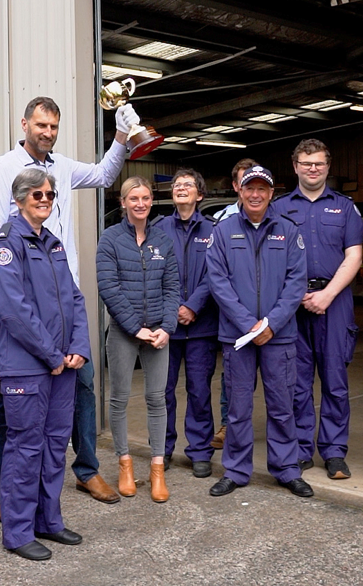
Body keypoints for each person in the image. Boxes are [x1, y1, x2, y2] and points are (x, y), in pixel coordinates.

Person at [0, 96, 136, 515]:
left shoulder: (62, 167)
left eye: (54, 126)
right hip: (27, 310)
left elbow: (104, 175)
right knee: (20, 409)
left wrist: (120, 134)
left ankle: (85, 469)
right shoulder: (0, 171)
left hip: (64, 302)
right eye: (41, 125)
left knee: (81, 385)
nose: (47, 132)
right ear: (25, 123)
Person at [0, 169, 91, 561]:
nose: (45, 200)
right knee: (25, 448)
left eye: (50, 194)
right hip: (29, 367)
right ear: (19, 199)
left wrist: (79, 346)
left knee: (53, 445)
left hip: (62, 364)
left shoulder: (53, 244)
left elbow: (75, 300)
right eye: (37, 195)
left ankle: (49, 520)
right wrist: (52, 355)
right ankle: (17, 532)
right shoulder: (5, 247)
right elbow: (14, 311)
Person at [205, 165, 311, 499]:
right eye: (249, 188)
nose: (255, 194)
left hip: (278, 336)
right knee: (237, 407)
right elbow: (217, 281)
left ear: (270, 194)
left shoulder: (288, 231)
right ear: (239, 190)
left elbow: (296, 282)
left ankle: (287, 469)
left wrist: (271, 324)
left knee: (282, 406)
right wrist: (247, 322)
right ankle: (235, 470)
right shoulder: (222, 232)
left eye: (262, 189)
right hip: (238, 336)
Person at [270, 139, 363, 480]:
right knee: (295, 382)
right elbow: (270, 258)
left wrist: (326, 295)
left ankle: (335, 451)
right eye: (307, 163)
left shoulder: (345, 208)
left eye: (319, 163)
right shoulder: (278, 209)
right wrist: (292, 295)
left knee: (335, 379)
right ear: (295, 167)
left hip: (334, 302)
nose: (313, 168)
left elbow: (354, 255)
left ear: (328, 167)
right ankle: (299, 448)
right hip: (291, 304)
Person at [96, 177, 180, 502]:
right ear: (123, 202)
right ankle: (125, 464)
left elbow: (173, 287)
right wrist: (135, 328)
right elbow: (109, 288)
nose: (141, 203)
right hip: (124, 332)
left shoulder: (163, 240)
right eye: (134, 198)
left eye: (145, 197)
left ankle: (157, 469)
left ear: (151, 201)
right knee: (118, 398)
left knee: (157, 399)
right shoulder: (110, 239)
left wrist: (167, 326)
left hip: (159, 331)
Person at [157, 168, 220, 478]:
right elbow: (154, 274)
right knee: (163, 391)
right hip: (167, 328)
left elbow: (216, 275)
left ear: (200, 194)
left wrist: (193, 306)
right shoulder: (158, 229)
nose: (181, 188)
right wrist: (173, 311)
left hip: (201, 327)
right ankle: (163, 449)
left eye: (188, 185)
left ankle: (199, 451)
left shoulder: (214, 230)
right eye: (177, 185)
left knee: (199, 391)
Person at [210, 157, 259, 451]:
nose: (252, 192)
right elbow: (217, 274)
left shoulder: (272, 217)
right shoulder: (222, 221)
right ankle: (228, 425)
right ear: (235, 187)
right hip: (234, 314)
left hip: (267, 316)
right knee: (234, 378)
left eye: (257, 185)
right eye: (244, 183)